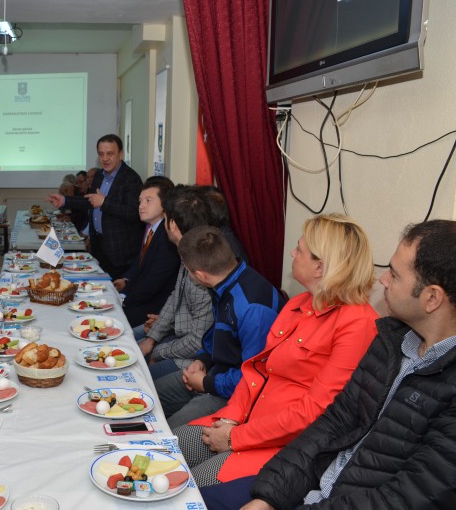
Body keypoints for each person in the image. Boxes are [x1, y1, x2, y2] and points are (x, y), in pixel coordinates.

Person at [242, 220, 456, 510]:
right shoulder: (389, 343)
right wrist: (267, 496)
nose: (383, 280)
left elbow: (407, 497)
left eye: (394, 274)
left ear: (431, 298)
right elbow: (333, 422)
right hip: (308, 485)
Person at [173, 214, 378, 506]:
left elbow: (314, 413)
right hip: (242, 421)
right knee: (165, 452)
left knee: (189, 490)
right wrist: (231, 416)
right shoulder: (299, 303)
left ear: (320, 267)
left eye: (300, 249)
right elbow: (257, 369)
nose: (293, 253)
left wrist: (236, 437)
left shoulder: (357, 323)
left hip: (276, 445)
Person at [155, 226, 283, 427]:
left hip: (236, 392)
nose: (188, 275)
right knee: (151, 395)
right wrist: (203, 359)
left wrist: (206, 384)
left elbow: (253, 377)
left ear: (201, 275)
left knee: (172, 432)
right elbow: (220, 335)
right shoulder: (226, 281)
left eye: (188, 271)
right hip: (216, 372)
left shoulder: (252, 308)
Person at [136, 187, 215, 379]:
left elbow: (197, 342)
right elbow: (175, 298)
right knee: (129, 345)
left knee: (138, 374)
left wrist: (158, 351)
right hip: (178, 336)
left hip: (192, 358)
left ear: (171, 224)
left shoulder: (200, 265)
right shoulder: (186, 249)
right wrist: (152, 338)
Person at [47, 134, 143, 278]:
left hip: (118, 251)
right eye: (101, 154)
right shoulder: (99, 175)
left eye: (110, 154)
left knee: (115, 294)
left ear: (121, 154)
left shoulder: (131, 179)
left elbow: (133, 212)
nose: (105, 159)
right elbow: (90, 201)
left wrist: (104, 202)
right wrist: (65, 201)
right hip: (98, 245)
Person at [113, 176, 180, 329]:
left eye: (148, 201)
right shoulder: (151, 227)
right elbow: (141, 261)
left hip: (154, 309)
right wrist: (127, 280)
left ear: (164, 204)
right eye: (140, 201)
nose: (141, 206)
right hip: (141, 299)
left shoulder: (168, 235)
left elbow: (153, 282)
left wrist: (124, 299)